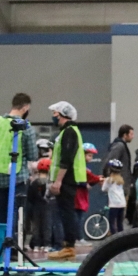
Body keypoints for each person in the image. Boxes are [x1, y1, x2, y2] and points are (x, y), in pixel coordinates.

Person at [0, 92, 38, 226]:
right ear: (25, 108)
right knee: (15, 217)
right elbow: (33, 156)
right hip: (17, 178)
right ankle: (13, 245)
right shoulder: (26, 127)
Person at [47, 100, 86, 261]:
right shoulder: (66, 132)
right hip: (67, 180)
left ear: (63, 115)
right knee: (65, 213)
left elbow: (66, 159)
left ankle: (69, 247)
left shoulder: (69, 132)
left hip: (67, 180)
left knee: (67, 212)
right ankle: (67, 245)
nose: (53, 117)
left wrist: (58, 181)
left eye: (55, 114)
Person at [25, 158, 50, 252]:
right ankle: (46, 244)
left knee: (36, 226)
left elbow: (30, 196)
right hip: (46, 206)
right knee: (47, 225)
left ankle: (36, 245)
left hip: (36, 206)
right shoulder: (49, 182)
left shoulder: (34, 182)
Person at [102, 159, 127, 235]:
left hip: (114, 204)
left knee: (112, 222)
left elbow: (103, 189)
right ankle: (122, 237)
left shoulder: (109, 180)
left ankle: (114, 237)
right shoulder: (121, 180)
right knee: (120, 223)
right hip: (122, 204)